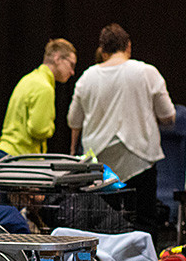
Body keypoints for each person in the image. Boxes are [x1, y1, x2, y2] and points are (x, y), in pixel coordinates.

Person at [68, 23, 175, 237]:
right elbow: (168, 115)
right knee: (144, 222)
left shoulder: (87, 77)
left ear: (103, 50)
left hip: (100, 164)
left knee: (101, 224)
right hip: (139, 159)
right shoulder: (147, 72)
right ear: (128, 46)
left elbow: (73, 120)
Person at [0, 38, 77, 159]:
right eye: (71, 64)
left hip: (6, 152)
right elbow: (39, 129)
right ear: (57, 58)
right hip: (20, 157)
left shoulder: (28, 79)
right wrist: (51, 126)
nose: (72, 72)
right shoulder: (44, 87)